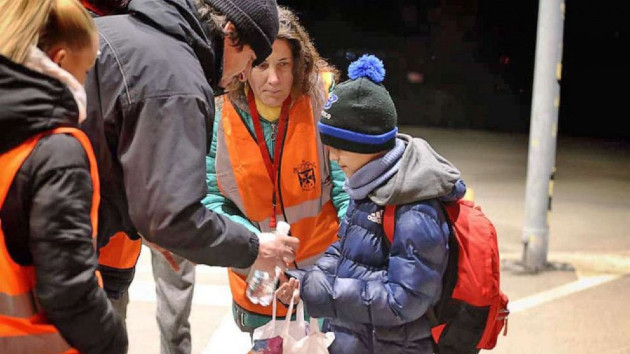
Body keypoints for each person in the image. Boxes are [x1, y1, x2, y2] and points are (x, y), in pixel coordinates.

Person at [81, 0, 299, 327]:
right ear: (230, 33)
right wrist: (256, 248)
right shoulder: (175, 78)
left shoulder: (120, 32)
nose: (243, 75)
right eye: (251, 60)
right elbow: (170, 217)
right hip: (49, 254)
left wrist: (146, 217)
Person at [279, 54, 467, 354]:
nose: (333, 157)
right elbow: (345, 252)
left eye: (341, 149)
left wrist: (323, 293)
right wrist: (305, 282)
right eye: (330, 147)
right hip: (357, 339)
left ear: (370, 146)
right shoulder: (368, 185)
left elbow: (403, 299)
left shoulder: (415, 206)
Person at [203, 6, 349, 337]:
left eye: (284, 65)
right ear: (244, 66)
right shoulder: (219, 111)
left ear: (298, 64)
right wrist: (256, 244)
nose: (274, 79)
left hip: (322, 274)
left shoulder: (322, 100)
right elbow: (211, 198)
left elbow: (348, 190)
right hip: (257, 276)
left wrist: (329, 267)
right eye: (263, 65)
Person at [0, 0, 127, 352]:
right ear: (59, 62)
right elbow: (68, 291)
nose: (86, 84)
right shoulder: (57, 152)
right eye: (86, 70)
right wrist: (113, 341)